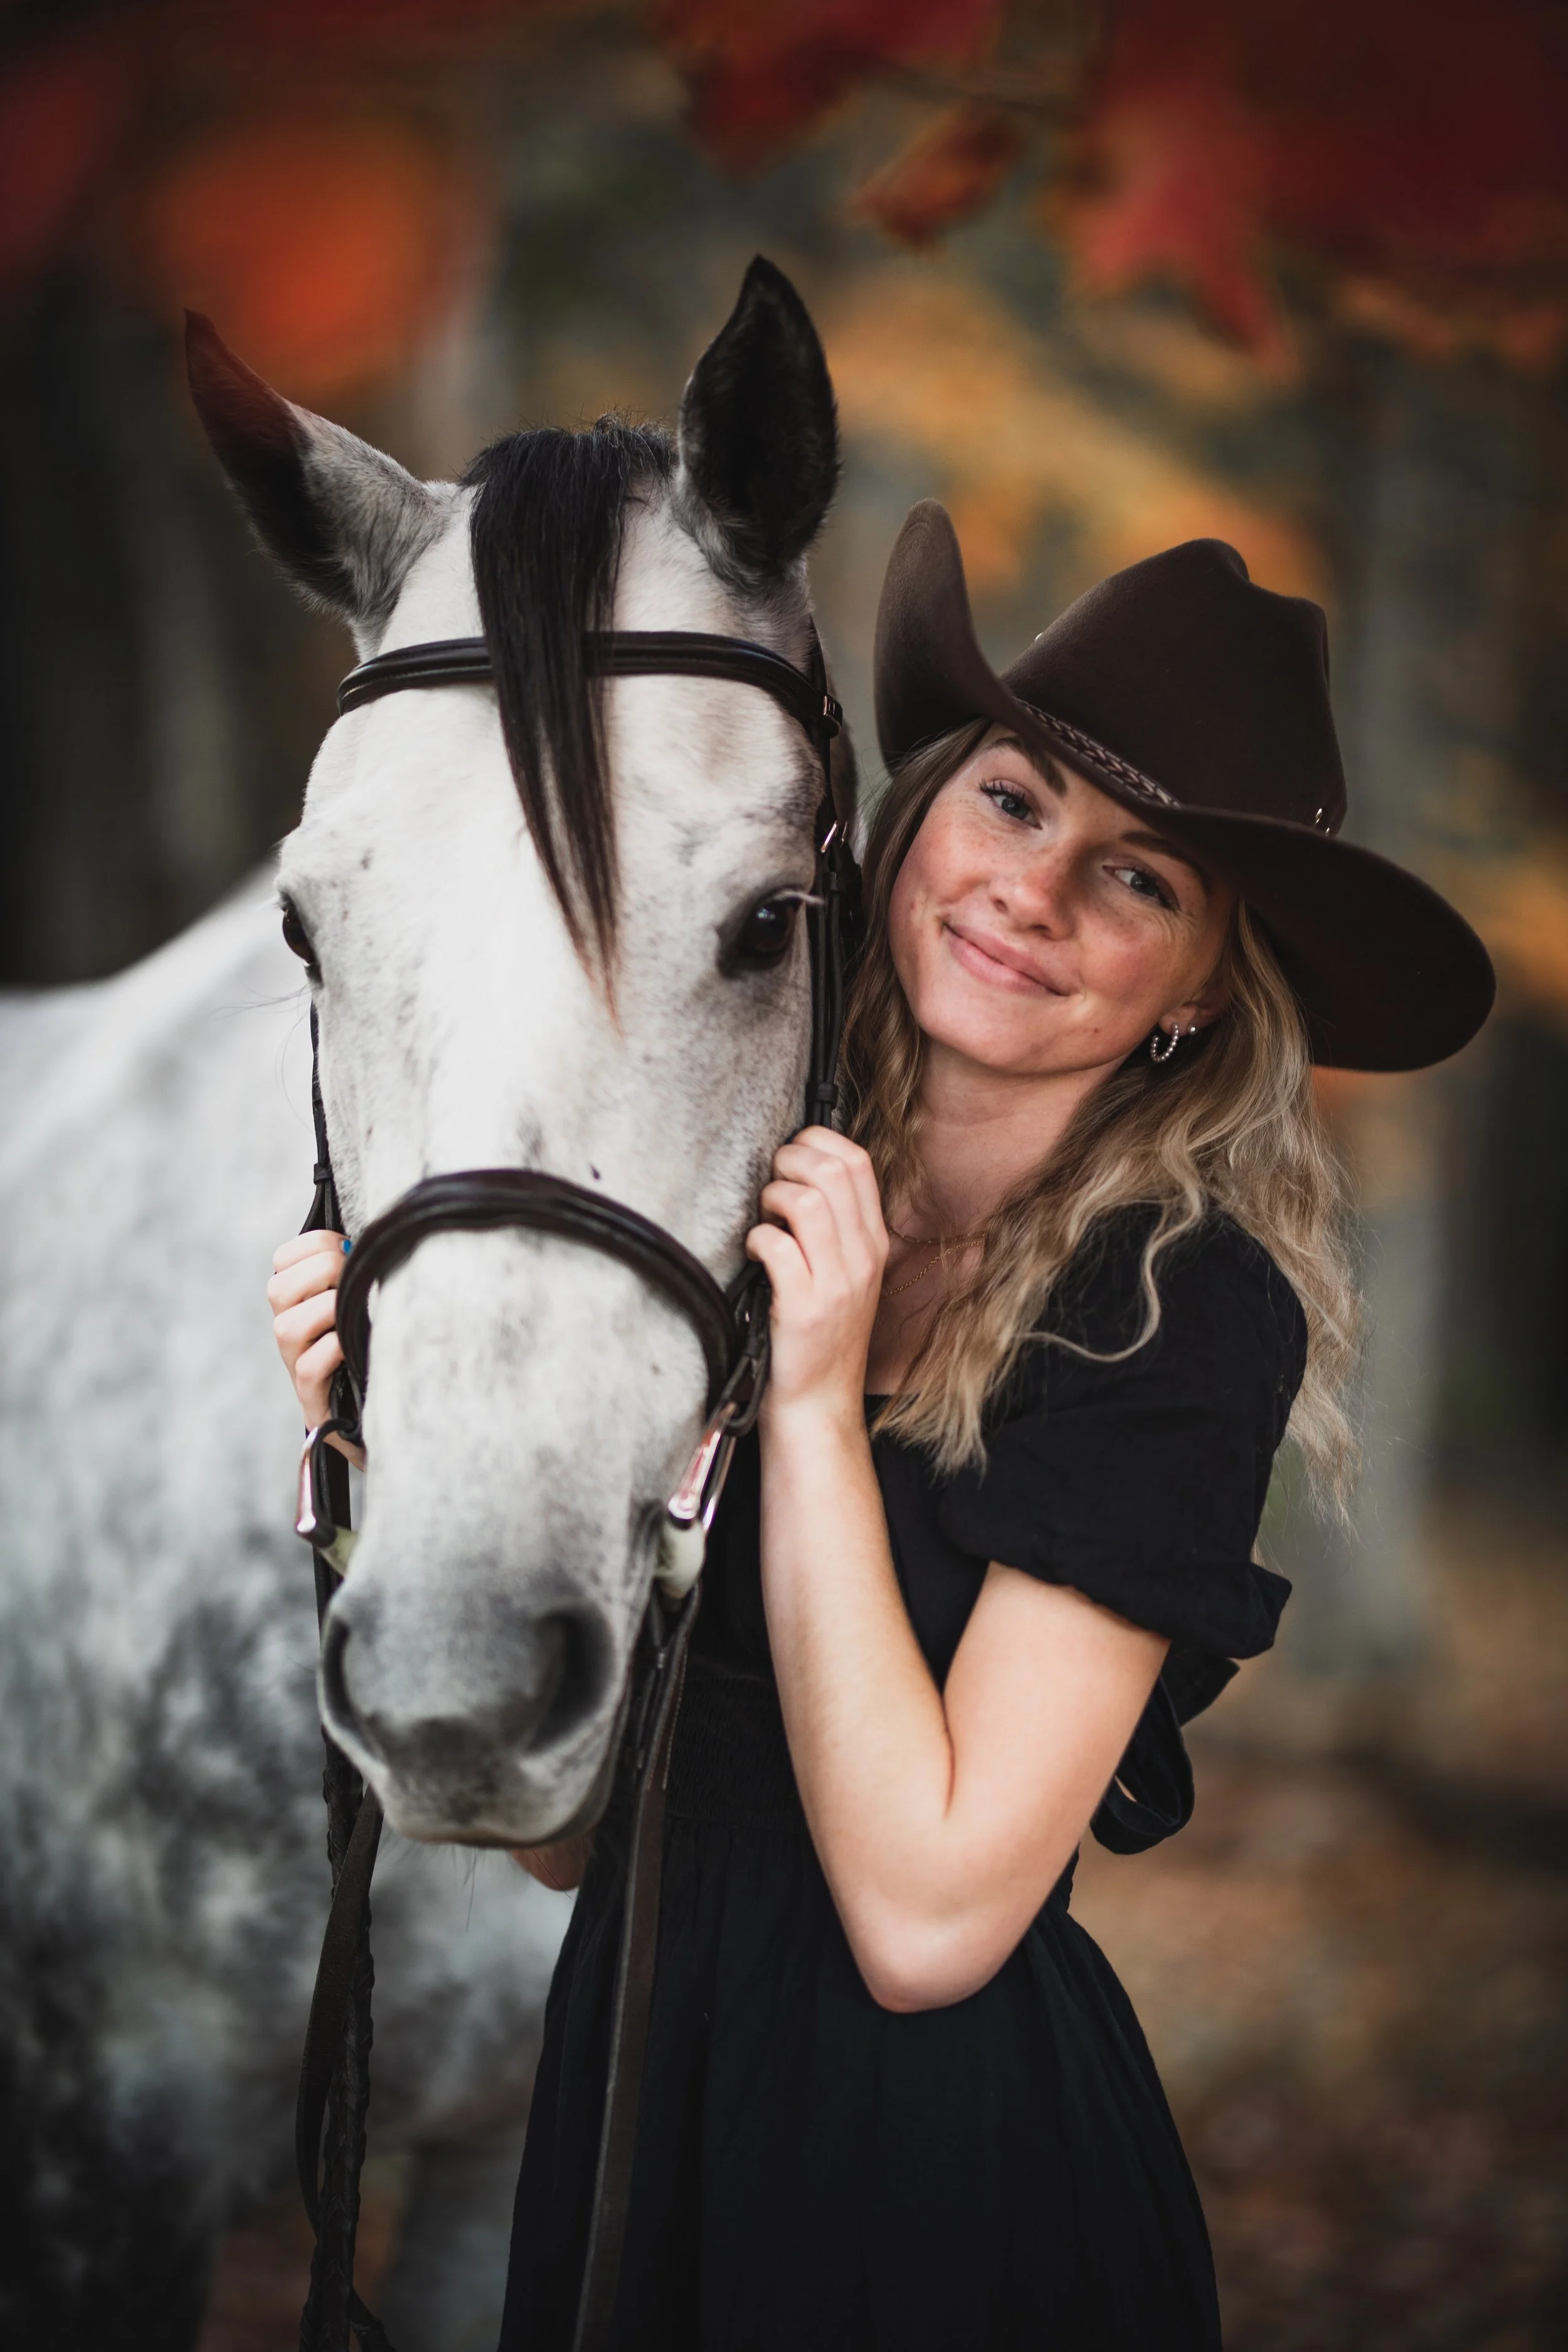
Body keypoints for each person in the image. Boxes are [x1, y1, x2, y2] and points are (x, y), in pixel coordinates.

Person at [267, 505, 1493, 2348]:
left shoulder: (1171, 1303)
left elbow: (929, 1924)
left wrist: (821, 1405)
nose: (1038, 890)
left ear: (1189, 996)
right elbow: (566, 1832)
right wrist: (371, 1457)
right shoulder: (741, 1202)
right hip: (630, 2126)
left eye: (1139, 878)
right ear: (911, 813)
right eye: (1012, 801)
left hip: (934, 2198)